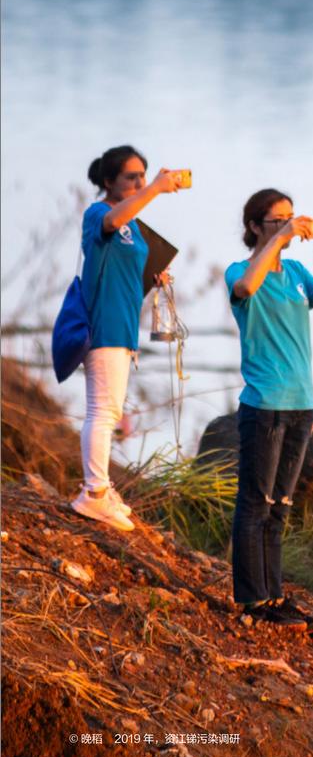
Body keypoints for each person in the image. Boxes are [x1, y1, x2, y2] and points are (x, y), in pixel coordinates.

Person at [225, 188, 313, 628]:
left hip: (301, 402)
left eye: (292, 218)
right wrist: (279, 240)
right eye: (277, 220)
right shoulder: (241, 271)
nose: (289, 226)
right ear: (256, 227)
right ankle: (252, 602)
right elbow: (245, 288)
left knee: (280, 505)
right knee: (255, 503)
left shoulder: (297, 271)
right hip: (264, 404)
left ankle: (275, 598)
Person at [70, 145, 183, 532]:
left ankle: (101, 488)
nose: (138, 183)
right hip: (101, 324)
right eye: (131, 177)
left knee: (111, 411)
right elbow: (110, 222)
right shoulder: (99, 213)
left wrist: (152, 280)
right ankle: (94, 493)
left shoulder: (132, 225)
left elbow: (125, 276)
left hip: (122, 327)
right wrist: (153, 189)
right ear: (108, 182)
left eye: (142, 176)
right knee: (102, 412)